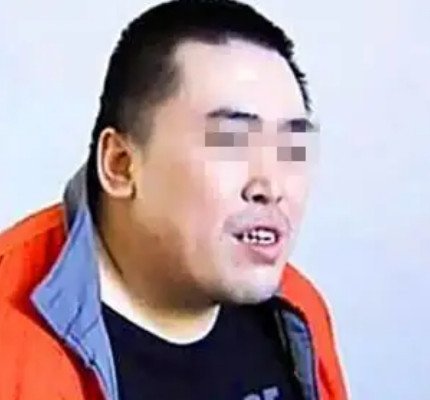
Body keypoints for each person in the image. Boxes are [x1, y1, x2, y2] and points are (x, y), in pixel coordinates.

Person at [0, 1, 347, 399]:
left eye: (291, 148)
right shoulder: (11, 338)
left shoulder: (298, 310)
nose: (271, 185)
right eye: (231, 142)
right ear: (120, 165)